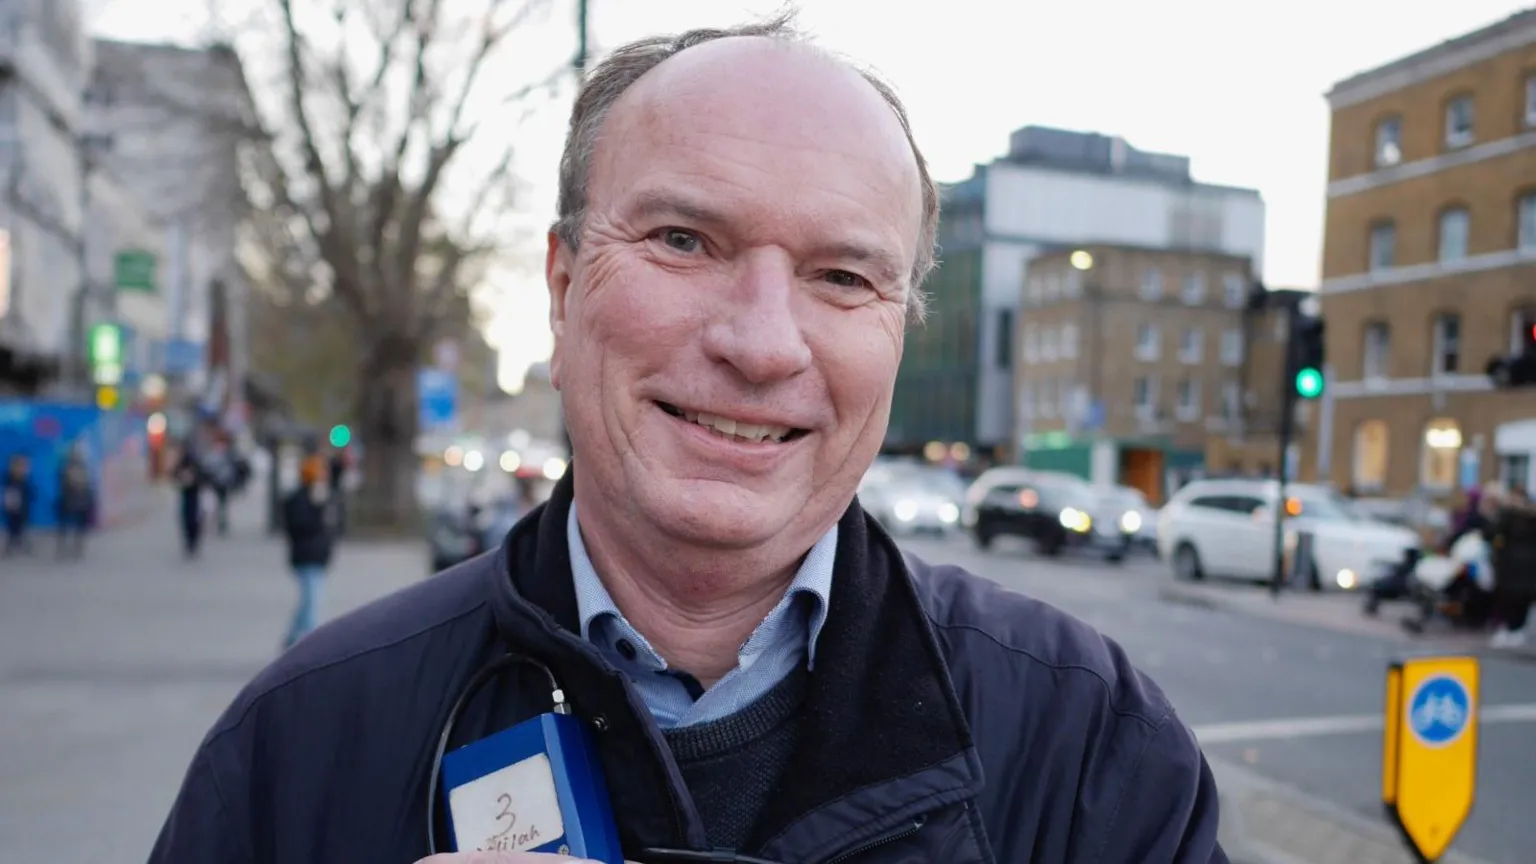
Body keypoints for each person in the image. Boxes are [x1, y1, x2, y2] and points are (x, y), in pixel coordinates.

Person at [150, 15, 1224, 864]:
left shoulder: (1093, 744)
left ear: (900, 335)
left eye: (843, 277)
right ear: (564, 291)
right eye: (683, 241)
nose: (761, 345)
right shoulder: (301, 743)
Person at [281, 457, 337, 649]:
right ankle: (312, 647)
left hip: (319, 557)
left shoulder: (323, 497)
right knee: (311, 602)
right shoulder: (299, 500)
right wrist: (317, 508)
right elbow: (300, 527)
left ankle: (291, 640)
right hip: (306, 557)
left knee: (308, 602)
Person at [1489, 485, 1536, 649]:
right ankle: (1516, 630)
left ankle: (1514, 630)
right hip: (1523, 568)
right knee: (1518, 599)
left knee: (1513, 599)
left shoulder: (1509, 516)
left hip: (1514, 568)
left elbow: (1493, 533)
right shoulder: (1527, 516)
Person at [56, 445, 96, 559]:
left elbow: (87, 486)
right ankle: (63, 547)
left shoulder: (83, 468)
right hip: (69, 501)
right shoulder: (65, 468)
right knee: (64, 525)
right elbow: (64, 484)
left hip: (80, 502)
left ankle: (77, 547)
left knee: (79, 526)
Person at [171, 442, 207, 559]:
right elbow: (174, 475)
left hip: (192, 495)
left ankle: (191, 542)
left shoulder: (192, 464)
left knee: (191, 519)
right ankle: (190, 542)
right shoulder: (185, 464)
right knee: (189, 519)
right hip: (188, 495)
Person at [2, 453, 33, 556]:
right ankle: (11, 544)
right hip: (12, 505)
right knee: (12, 525)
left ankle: (19, 542)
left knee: (21, 525)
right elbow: (7, 491)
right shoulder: (9, 478)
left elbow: (29, 492)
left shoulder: (25, 479)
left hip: (23, 507)